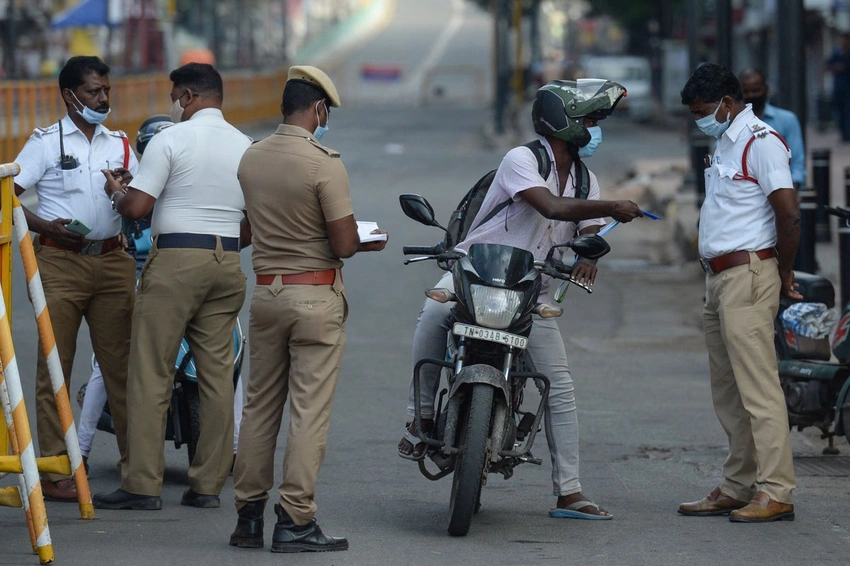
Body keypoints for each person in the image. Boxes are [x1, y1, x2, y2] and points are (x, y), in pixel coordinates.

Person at [397, 78, 644, 520]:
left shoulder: (587, 179)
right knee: (434, 313)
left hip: (531, 289)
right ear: (565, 123)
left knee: (559, 386)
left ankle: (569, 491)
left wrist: (591, 253)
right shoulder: (521, 159)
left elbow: (585, 231)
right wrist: (612, 207)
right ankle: (418, 420)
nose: (594, 130)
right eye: (590, 120)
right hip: (475, 270)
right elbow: (550, 207)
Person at [228, 65, 387, 553]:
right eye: (326, 112)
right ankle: (295, 520)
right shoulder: (324, 163)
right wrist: (367, 239)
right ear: (318, 109)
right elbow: (341, 242)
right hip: (315, 296)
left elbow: (245, 233)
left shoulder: (251, 158)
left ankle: (248, 517)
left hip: (267, 295)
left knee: (258, 407)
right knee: (308, 412)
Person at [93, 63, 251, 511]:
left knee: (150, 370)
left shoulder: (170, 139)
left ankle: (142, 484)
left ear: (186, 96)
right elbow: (252, 226)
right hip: (226, 262)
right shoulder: (245, 146)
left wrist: (115, 193)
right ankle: (206, 487)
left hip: (176, 262)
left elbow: (139, 205)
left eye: (174, 97)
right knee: (218, 378)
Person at [678, 63, 801, 523]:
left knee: (759, 388)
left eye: (703, 111)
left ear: (728, 104)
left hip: (748, 274)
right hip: (719, 279)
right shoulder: (726, 141)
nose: (699, 119)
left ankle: (777, 489)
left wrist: (783, 273)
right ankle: (738, 484)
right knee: (728, 391)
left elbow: (788, 215)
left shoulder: (760, 142)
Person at [12, 55, 138, 501]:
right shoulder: (44, 144)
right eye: (93, 92)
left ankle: (136, 471)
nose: (103, 98)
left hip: (112, 262)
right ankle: (56, 470)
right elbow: (5, 194)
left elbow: (141, 201)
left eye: (106, 89)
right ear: (69, 95)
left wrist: (123, 190)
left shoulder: (121, 144)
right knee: (54, 367)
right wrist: (42, 226)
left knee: (124, 369)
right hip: (59, 263)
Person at [738, 68, 805, 191]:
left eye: (756, 90)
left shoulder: (787, 120)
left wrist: (790, 193)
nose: (751, 95)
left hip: (782, 190)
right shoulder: (733, 124)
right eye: (746, 91)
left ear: (766, 89)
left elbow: (797, 163)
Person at [827, 32, 850, 142]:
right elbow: (828, 65)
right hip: (838, 88)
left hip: (847, 87)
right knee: (839, 110)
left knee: (847, 111)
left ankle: (847, 134)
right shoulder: (836, 52)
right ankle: (843, 133)